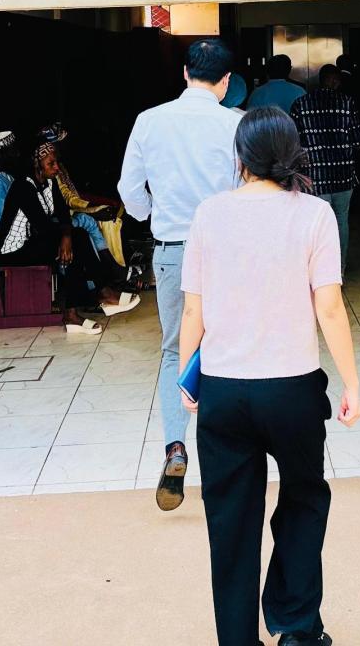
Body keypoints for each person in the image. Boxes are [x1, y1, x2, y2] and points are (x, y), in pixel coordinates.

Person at [178, 106, 360, 646]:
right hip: (293, 389)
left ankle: (238, 639)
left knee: (230, 523)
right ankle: (297, 626)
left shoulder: (209, 214)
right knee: (304, 501)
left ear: (240, 157)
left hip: (224, 391)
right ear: (292, 153)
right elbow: (330, 307)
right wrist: (351, 383)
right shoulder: (315, 215)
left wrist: (189, 380)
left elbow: (193, 310)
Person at [118, 37, 242, 511]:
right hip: (224, 251)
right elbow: (248, 187)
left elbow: (129, 189)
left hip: (172, 250)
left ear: (184, 73)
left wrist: (154, 214)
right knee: (227, 348)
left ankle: (175, 447)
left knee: (176, 350)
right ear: (226, 81)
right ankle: (224, 453)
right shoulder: (236, 124)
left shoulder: (149, 121)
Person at [0, 141, 103, 334]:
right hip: (13, 251)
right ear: (37, 165)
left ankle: (96, 295)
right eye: (50, 164)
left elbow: (63, 213)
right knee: (73, 243)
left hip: (32, 241)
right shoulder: (23, 186)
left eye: (56, 162)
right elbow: (42, 226)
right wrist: (66, 238)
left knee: (75, 239)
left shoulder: (50, 182)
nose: (56, 167)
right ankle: (87, 302)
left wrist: (66, 235)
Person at [37, 121, 142, 309]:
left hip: (66, 217)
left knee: (105, 215)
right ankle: (109, 276)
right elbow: (67, 202)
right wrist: (92, 209)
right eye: (61, 143)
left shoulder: (57, 168)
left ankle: (114, 271)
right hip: (58, 223)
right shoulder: (38, 179)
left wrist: (96, 205)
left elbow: (70, 197)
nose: (64, 147)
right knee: (93, 223)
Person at [290, 65, 360, 273]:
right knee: (341, 221)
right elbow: (358, 142)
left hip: (314, 176)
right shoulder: (347, 103)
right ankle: (339, 269)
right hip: (343, 175)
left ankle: (318, 271)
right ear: (337, 81)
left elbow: (293, 142)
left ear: (320, 80)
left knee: (316, 224)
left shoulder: (300, 104)